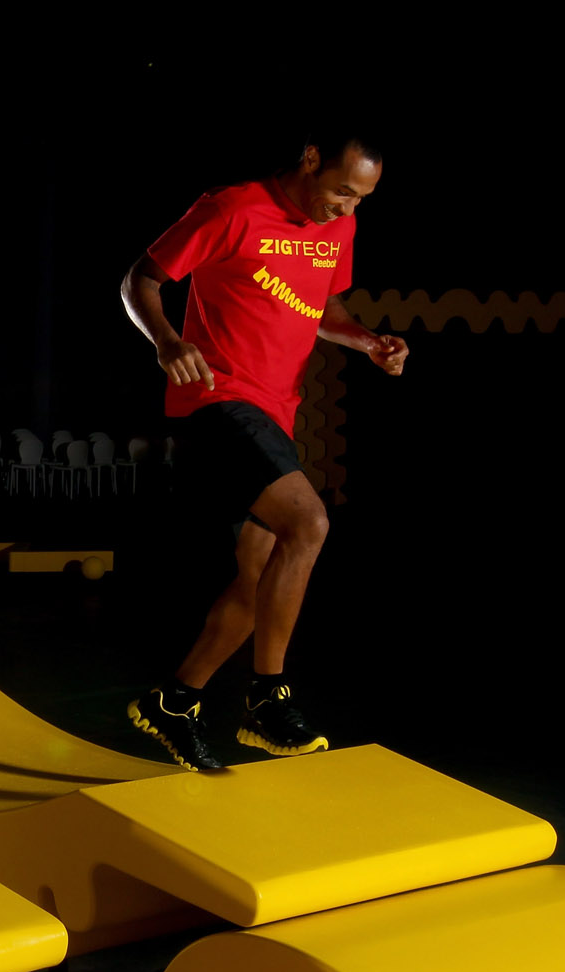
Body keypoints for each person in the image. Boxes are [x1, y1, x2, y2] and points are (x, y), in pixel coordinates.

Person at [119, 130, 409, 771]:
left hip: (278, 411)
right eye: (342, 191)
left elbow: (320, 306)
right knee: (309, 524)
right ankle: (266, 700)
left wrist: (368, 341)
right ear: (311, 159)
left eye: (361, 200)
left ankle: (174, 702)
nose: (347, 208)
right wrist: (166, 341)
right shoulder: (232, 209)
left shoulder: (338, 227)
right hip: (218, 397)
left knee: (262, 580)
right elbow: (140, 279)